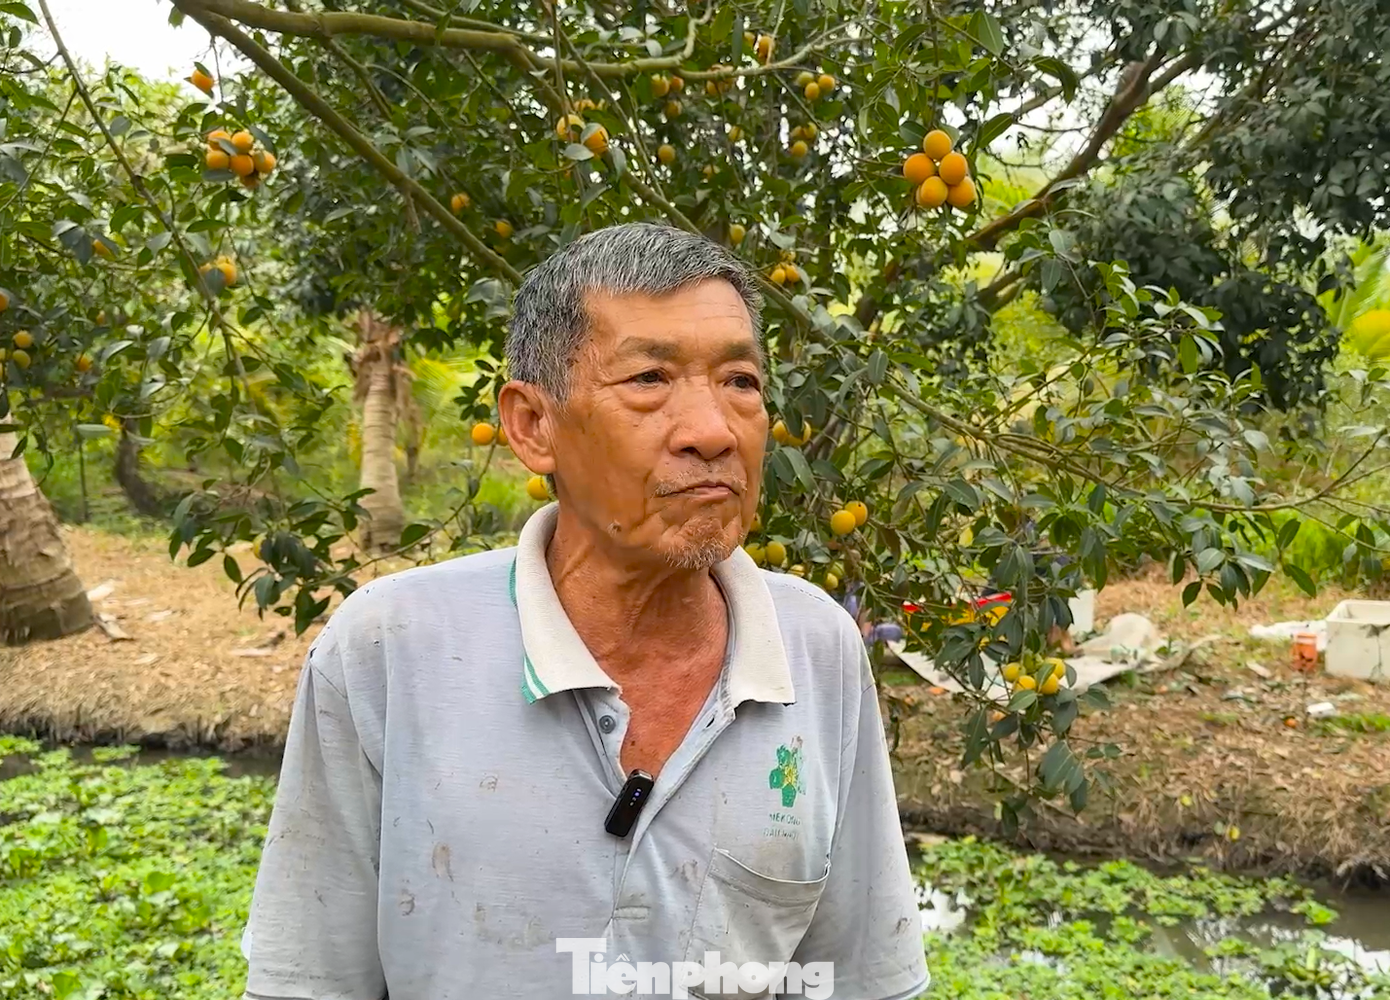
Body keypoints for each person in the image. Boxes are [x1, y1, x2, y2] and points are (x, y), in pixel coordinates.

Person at [239, 222, 929, 1000]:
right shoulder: (390, 648)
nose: (712, 431)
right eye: (648, 379)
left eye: (740, 381)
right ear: (533, 426)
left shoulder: (818, 647)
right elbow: (309, 979)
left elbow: (861, 974)